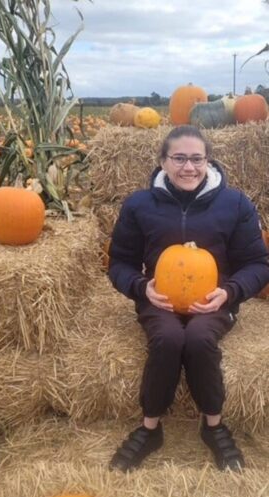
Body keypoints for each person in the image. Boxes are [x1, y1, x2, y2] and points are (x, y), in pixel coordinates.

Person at [107, 125, 269, 473]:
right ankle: (150, 428)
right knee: (167, 338)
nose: (189, 167)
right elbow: (119, 262)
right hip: (159, 299)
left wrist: (229, 292)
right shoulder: (139, 204)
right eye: (179, 159)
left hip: (214, 301)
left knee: (197, 339)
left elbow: (258, 264)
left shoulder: (235, 203)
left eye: (197, 159)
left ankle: (214, 426)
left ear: (208, 160)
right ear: (163, 162)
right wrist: (141, 287)